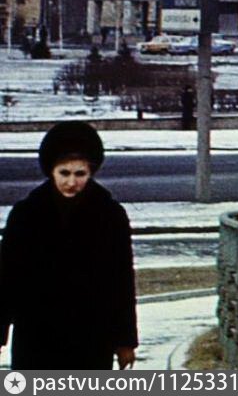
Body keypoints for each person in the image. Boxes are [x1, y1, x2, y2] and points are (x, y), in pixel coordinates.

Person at [0, 122, 138, 369]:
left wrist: (125, 341)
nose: (72, 182)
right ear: (51, 171)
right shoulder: (26, 215)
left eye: (80, 174)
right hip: (37, 334)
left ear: (91, 172)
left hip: (91, 335)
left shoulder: (110, 215)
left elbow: (121, 280)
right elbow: (7, 277)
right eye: (64, 173)